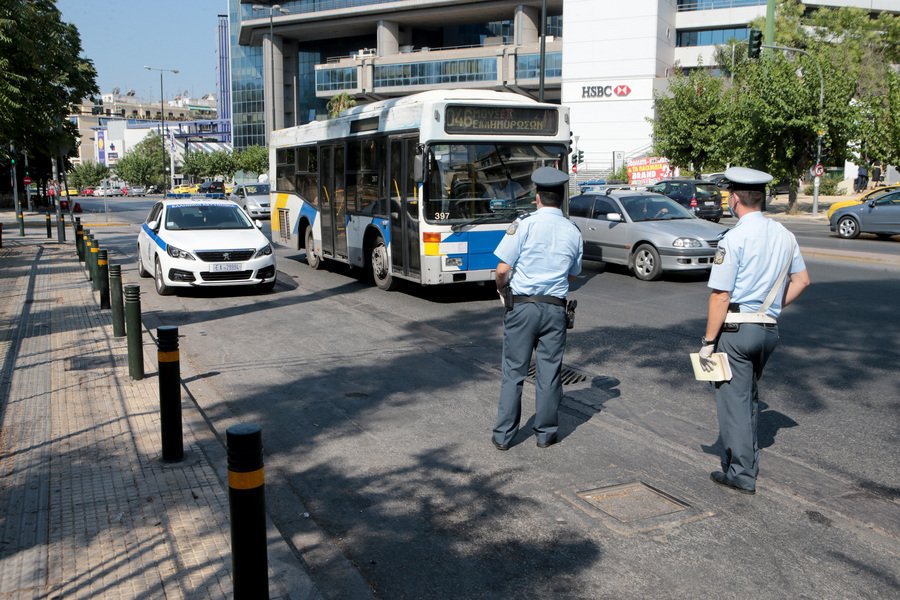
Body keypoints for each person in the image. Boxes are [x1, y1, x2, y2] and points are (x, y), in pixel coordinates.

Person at [699, 166, 810, 494]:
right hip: (767, 331)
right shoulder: (785, 235)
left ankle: (741, 474)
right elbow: (802, 281)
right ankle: (743, 461)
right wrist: (769, 309)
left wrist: (707, 342)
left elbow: (720, 296)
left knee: (732, 401)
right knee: (746, 398)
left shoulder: (733, 238)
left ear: (734, 199)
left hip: (735, 333)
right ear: (761, 198)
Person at [492, 167, 583, 450]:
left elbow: (502, 269)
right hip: (556, 309)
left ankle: (505, 436)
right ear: (562, 197)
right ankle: (545, 434)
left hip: (522, 309)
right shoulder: (573, 231)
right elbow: (572, 274)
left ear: (537, 197)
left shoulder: (524, 224)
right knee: (549, 373)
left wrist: (500, 288)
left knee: (514, 372)